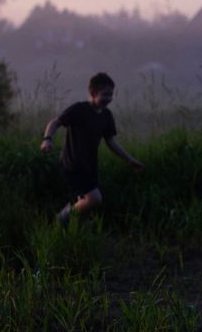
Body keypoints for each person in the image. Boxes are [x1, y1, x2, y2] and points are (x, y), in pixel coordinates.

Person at [40, 72, 144, 225]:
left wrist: (129, 160)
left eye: (111, 95)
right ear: (92, 93)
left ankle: (76, 232)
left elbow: (111, 142)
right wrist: (47, 140)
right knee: (94, 199)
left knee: (87, 206)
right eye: (105, 94)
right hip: (72, 164)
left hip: (90, 166)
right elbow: (55, 123)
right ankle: (61, 219)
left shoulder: (107, 115)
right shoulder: (79, 109)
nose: (108, 99)